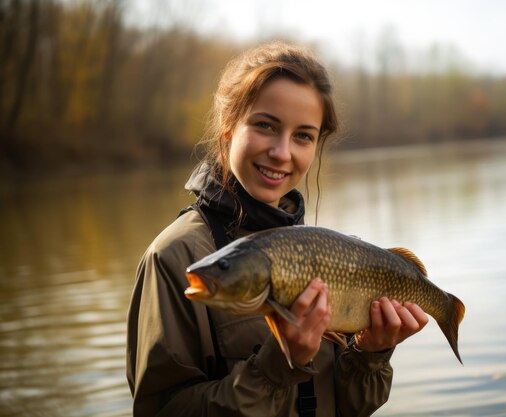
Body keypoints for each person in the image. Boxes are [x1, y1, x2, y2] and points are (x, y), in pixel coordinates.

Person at [126, 41, 429, 417]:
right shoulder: (172, 257)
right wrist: (276, 365)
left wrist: (370, 354)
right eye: (265, 126)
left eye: (303, 135)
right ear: (227, 127)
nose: (282, 152)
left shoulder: (318, 249)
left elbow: (346, 407)